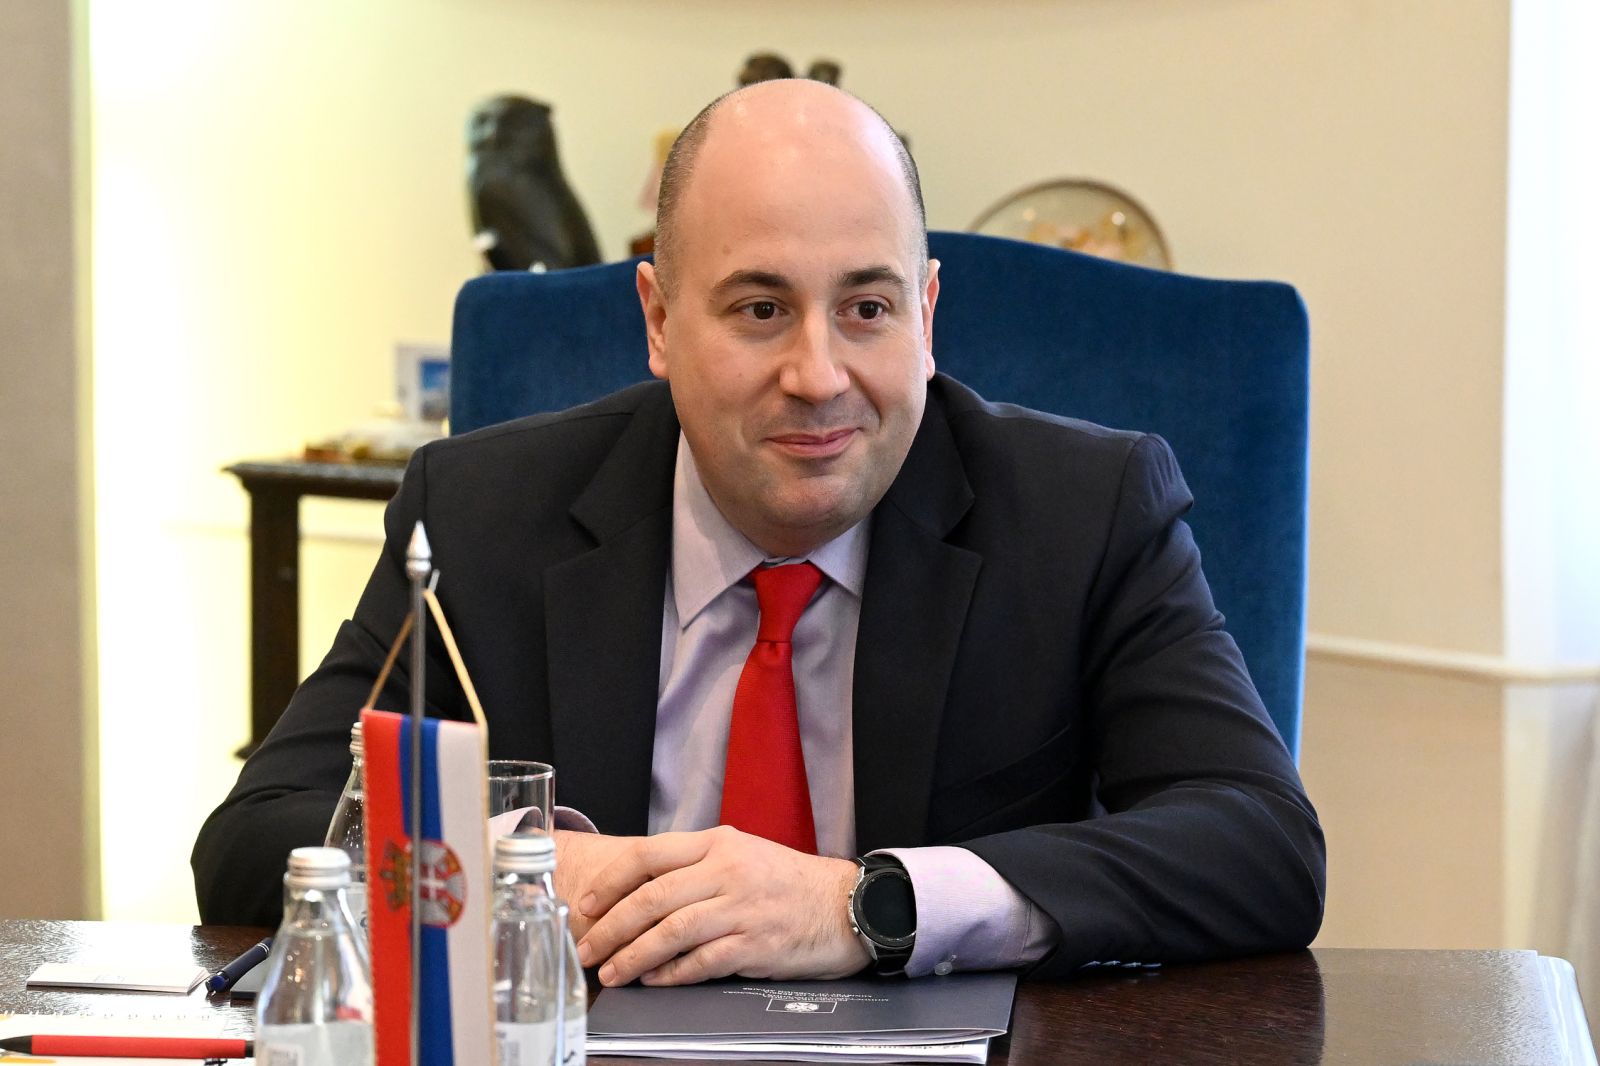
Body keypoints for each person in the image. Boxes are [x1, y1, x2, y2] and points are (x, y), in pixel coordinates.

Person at [193, 80, 1325, 986]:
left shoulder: (1086, 511)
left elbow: (1260, 844)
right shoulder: (482, 515)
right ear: (658, 320)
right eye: (761, 309)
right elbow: (254, 838)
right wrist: (517, 867)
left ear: (927, 315)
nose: (818, 375)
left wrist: (868, 905)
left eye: (867, 308)